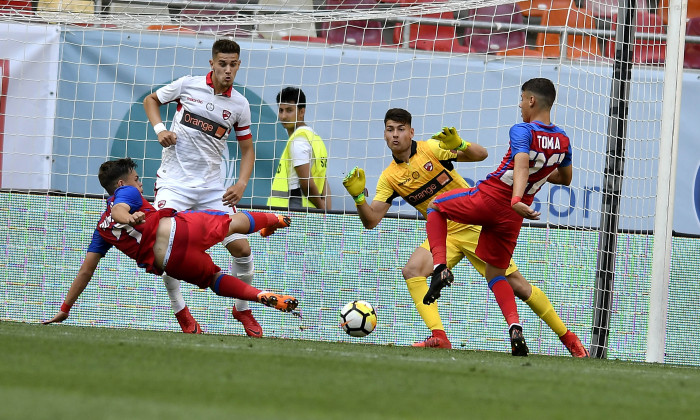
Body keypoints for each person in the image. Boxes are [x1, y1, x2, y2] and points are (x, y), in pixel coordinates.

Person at [342, 106, 587, 357]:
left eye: (401, 129)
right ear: (384, 135)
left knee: (519, 286)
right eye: (390, 130)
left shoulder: (431, 148)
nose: (395, 135)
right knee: (412, 270)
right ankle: (439, 336)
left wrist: (460, 144)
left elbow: (481, 154)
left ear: (411, 132)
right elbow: (371, 221)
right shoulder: (389, 178)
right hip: (444, 235)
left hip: (473, 225)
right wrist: (359, 197)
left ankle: (569, 339)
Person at [422, 78, 588, 357]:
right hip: (514, 217)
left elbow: (521, 163)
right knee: (496, 272)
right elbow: (565, 178)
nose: (520, 105)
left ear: (532, 101)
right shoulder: (563, 140)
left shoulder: (522, 129)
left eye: (522, 99)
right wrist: (534, 181)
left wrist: (515, 197)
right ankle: (514, 326)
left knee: (437, 206)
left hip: (494, 198)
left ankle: (440, 267)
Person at [43, 158, 297, 326]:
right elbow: (119, 210)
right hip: (179, 230)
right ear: (121, 184)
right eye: (136, 179)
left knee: (213, 280)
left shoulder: (101, 230)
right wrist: (130, 218)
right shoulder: (126, 194)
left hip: (171, 261)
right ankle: (274, 218)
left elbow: (86, 271)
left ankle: (259, 295)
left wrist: (66, 307)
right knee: (228, 222)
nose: (140, 184)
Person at [143, 38, 262, 337]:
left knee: (242, 248)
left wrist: (242, 182)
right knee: (165, 250)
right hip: (174, 184)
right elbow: (151, 100)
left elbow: (247, 150)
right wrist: (161, 130)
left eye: (233, 64)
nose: (228, 70)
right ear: (212, 64)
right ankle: (181, 311)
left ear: (239, 65)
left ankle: (242, 310)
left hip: (211, 189)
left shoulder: (239, 105)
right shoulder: (187, 85)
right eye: (222, 63)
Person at [267, 86, 331, 210]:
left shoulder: (298, 141)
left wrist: (322, 209)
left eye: (289, 110)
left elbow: (306, 183)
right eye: (280, 110)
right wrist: (326, 209)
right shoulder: (314, 138)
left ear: (302, 112)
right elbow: (323, 180)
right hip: (311, 210)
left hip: (295, 209)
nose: (283, 116)